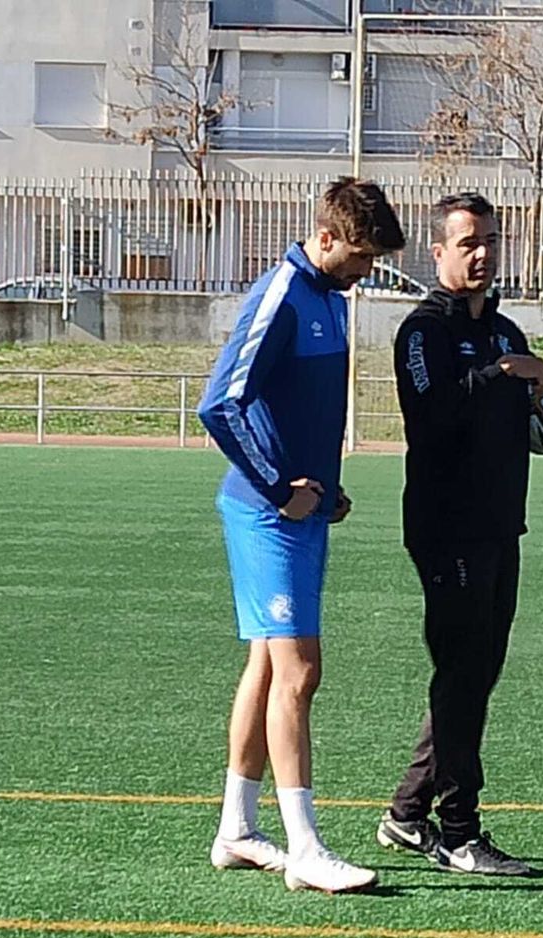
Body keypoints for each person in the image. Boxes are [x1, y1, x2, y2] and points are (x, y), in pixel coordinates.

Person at [376, 192, 543, 876]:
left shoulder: (508, 332)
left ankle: (407, 813)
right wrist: (501, 375)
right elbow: (433, 415)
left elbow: (534, 424)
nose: (480, 253)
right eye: (467, 241)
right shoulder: (422, 334)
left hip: (501, 525)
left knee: (474, 675)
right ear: (438, 250)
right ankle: (458, 830)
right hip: (445, 527)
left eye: (489, 241)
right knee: (461, 674)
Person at [198, 177, 406, 895]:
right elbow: (221, 402)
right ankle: (306, 848)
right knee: (299, 673)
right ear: (325, 237)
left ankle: (236, 828)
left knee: (265, 666)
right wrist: (279, 487)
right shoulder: (283, 294)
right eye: (360, 255)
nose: (366, 271)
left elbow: (304, 405)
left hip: (302, 511)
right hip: (265, 516)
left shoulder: (329, 298)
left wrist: (323, 484)